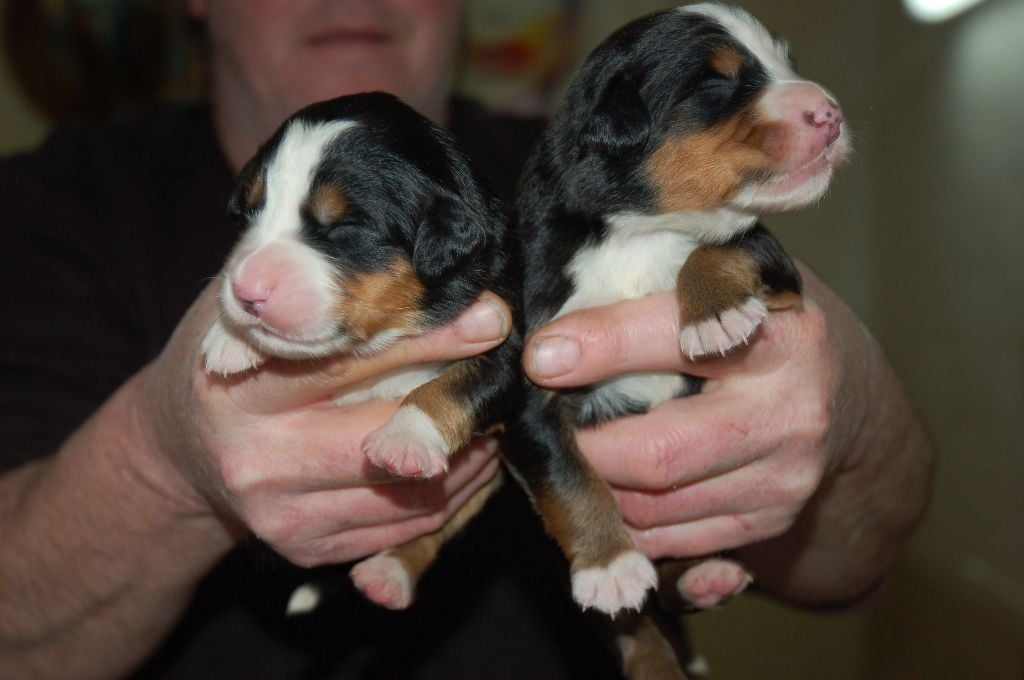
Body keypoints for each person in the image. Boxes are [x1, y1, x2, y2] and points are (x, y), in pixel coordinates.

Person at [0, 1, 933, 678]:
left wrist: (855, 415)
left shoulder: (604, 171)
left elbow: (860, 566)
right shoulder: (53, 205)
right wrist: (162, 462)